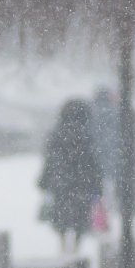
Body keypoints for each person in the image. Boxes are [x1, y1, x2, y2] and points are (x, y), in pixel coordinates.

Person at [38, 98, 103, 253]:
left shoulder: (56, 134)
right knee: (80, 219)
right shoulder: (87, 135)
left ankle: (63, 246)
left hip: (61, 184)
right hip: (82, 184)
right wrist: (97, 186)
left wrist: (45, 181)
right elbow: (93, 163)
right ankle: (76, 249)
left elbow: (50, 161)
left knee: (62, 218)